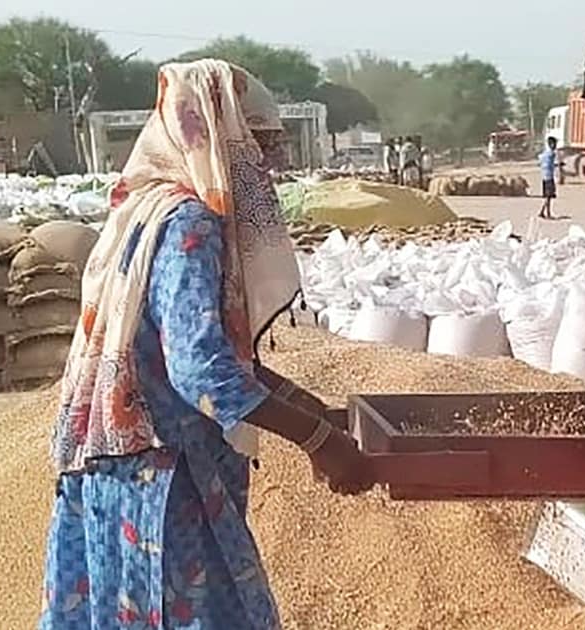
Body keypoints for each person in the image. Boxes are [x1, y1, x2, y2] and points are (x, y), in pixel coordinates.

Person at [39, 59, 373, 629]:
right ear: (223, 141)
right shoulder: (190, 223)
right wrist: (320, 442)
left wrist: (309, 408)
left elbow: (197, 347)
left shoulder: (140, 209)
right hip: (165, 485)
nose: (273, 165)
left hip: (117, 470)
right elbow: (198, 368)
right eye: (262, 147)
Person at [538, 136, 559, 219]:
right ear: (551, 144)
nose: (555, 146)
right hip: (549, 177)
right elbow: (550, 164)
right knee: (549, 196)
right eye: (554, 144)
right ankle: (546, 213)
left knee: (548, 196)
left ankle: (544, 212)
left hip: (544, 176)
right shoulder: (551, 154)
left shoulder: (544, 154)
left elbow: (541, 160)